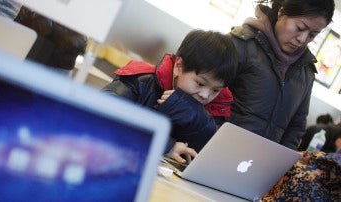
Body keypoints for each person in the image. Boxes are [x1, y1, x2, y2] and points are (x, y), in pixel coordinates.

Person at [103, 29, 238, 163]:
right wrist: (166, 146)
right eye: (200, 83)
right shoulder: (141, 80)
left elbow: (210, 159)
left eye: (215, 90)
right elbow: (103, 113)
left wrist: (197, 117)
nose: (205, 95)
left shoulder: (217, 106)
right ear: (178, 66)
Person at [225, 0, 335, 150]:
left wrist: (279, 165)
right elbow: (204, 99)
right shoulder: (241, 45)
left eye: (312, 35)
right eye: (300, 27)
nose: (302, 39)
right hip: (216, 152)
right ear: (281, 12)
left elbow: (295, 128)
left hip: (259, 167)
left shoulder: (306, 72)